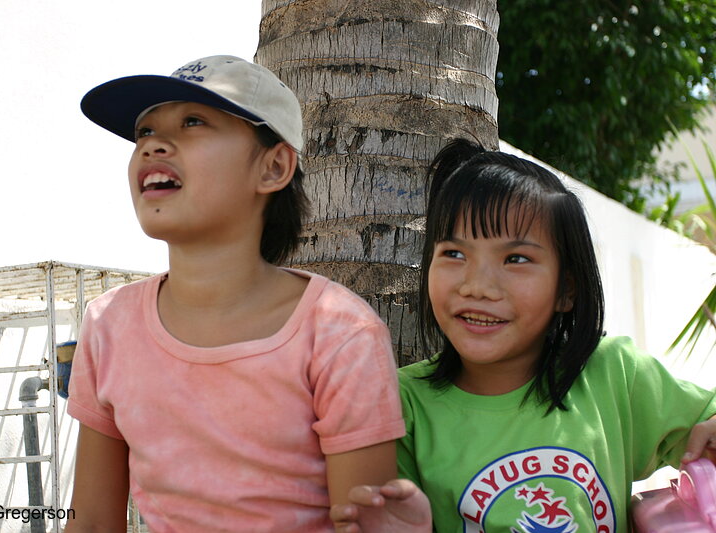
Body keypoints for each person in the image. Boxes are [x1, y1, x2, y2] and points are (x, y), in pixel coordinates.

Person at [64, 55, 405, 533]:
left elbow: (366, 525)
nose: (153, 145)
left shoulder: (340, 332)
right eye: (144, 132)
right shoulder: (108, 324)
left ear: (273, 167)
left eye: (193, 122)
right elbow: (93, 523)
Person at [330, 138, 716, 533]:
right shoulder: (401, 405)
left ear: (566, 289)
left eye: (515, 259)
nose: (476, 286)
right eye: (454, 254)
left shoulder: (615, 373)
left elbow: (707, 423)